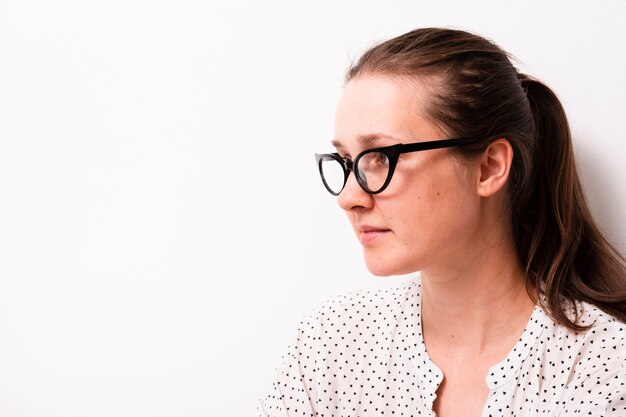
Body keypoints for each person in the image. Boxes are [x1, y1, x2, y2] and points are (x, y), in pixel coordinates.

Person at [257, 27, 626, 417]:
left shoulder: (605, 370)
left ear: (488, 167)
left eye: (381, 156)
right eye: (346, 162)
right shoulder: (331, 344)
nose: (349, 198)